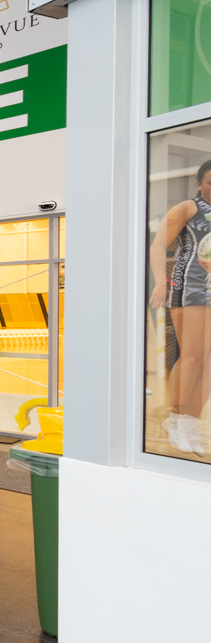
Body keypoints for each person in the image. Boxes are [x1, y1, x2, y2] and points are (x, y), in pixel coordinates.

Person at [150, 157, 211, 455]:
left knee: (207, 362)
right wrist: (161, 281)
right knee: (192, 356)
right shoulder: (189, 207)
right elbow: (159, 244)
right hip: (190, 288)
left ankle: (190, 424)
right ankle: (174, 418)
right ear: (199, 184)